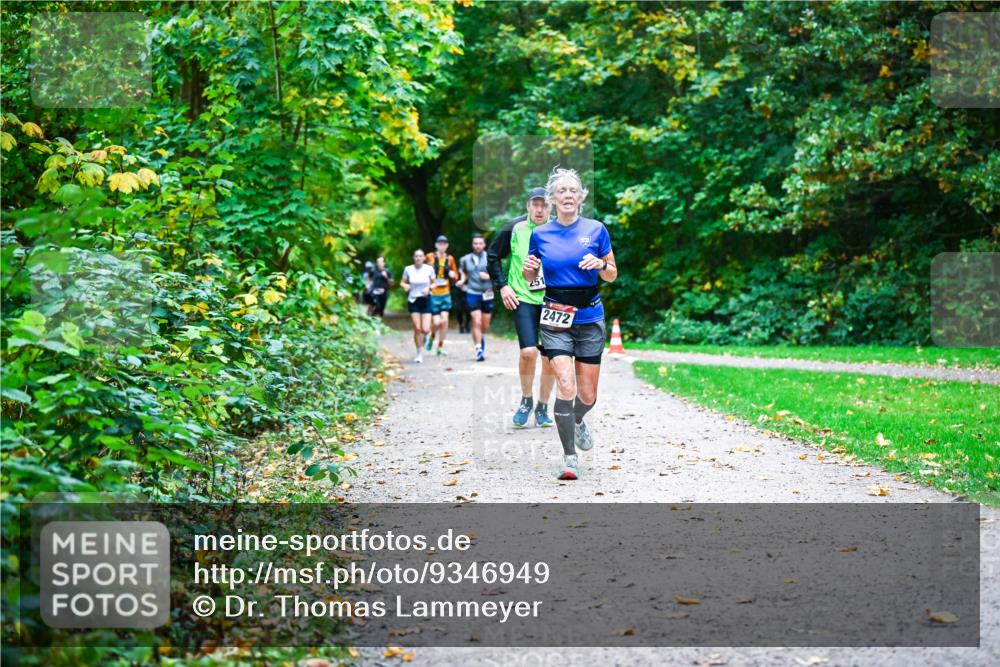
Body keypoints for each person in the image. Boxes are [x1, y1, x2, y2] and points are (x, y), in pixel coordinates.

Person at [523, 168, 617, 480]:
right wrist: (527, 271)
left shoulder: (596, 229)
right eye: (560, 191)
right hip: (555, 318)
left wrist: (601, 264)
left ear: (580, 197)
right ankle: (569, 458)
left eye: (572, 190)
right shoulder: (540, 235)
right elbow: (533, 280)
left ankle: (577, 420)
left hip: (589, 317)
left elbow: (612, 273)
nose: (567, 195)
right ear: (552, 199)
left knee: (587, 396)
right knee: (566, 385)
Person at [487, 187, 555, 428]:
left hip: (552, 300)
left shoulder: (560, 229)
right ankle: (526, 399)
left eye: (544, 205)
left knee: (551, 358)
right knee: (529, 352)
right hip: (523, 297)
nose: (539, 209)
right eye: (535, 204)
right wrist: (503, 287)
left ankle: (543, 406)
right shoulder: (514, 228)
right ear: (527, 206)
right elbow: (493, 255)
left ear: (551, 207)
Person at [458, 233, 495, 361]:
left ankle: (480, 337)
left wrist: (489, 276)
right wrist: (462, 280)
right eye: (475, 243)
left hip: (488, 293)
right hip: (472, 292)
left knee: (484, 325)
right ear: (472, 245)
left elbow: (498, 273)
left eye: (480, 243)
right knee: (476, 320)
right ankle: (479, 349)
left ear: (484, 244)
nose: (478, 246)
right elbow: (462, 271)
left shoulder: (491, 257)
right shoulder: (465, 259)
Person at [425, 235, 459, 356]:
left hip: (445, 293)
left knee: (444, 321)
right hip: (433, 294)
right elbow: (422, 271)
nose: (442, 246)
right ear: (436, 245)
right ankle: (431, 337)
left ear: (447, 245)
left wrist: (452, 274)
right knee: (436, 322)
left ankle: (440, 347)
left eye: (444, 244)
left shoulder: (450, 259)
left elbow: (456, 275)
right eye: (440, 243)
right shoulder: (429, 257)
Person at [400, 249, 435, 363]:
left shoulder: (429, 269)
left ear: (424, 258)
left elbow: (435, 283)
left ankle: (426, 335)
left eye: (420, 256)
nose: (418, 258)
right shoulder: (408, 269)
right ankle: (419, 353)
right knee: (417, 328)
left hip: (426, 300)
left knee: (425, 329)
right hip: (413, 300)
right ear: (413, 258)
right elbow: (402, 282)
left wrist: (429, 288)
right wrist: (405, 286)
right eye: (416, 256)